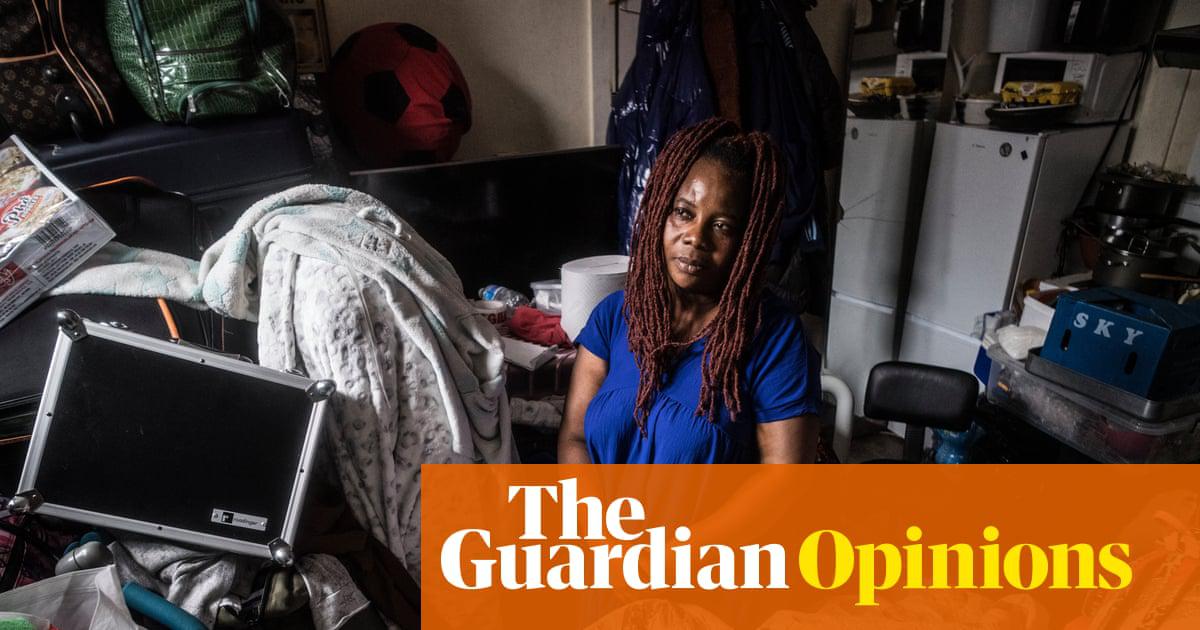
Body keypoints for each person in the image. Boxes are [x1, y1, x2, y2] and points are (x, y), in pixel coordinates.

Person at [558, 118, 822, 464]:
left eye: (722, 226)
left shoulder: (776, 341)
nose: (696, 237)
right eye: (684, 213)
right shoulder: (614, 316)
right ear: (659, 213)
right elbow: (574, 438)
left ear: (747, 241)